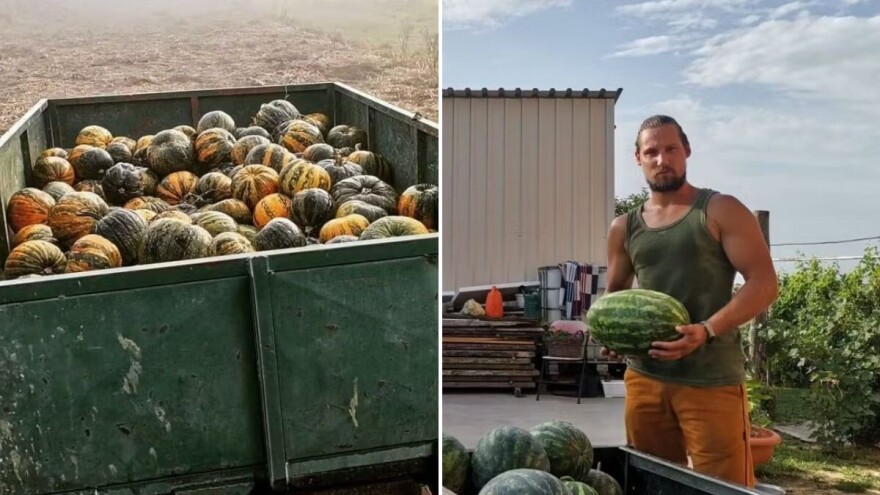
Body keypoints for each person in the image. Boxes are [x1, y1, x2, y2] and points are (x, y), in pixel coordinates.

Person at [602, 114, 779, 488]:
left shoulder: (720, 210)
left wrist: (706, 330)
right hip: (645, 379)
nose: (662, 159)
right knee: (652, 481)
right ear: (638, 158)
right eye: (652, 151)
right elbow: (613, 295)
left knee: (723, 486)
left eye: (671, 149)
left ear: (687, 151)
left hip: (710, 378)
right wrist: (612, 340)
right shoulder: (624, 227)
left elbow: (764, 284)